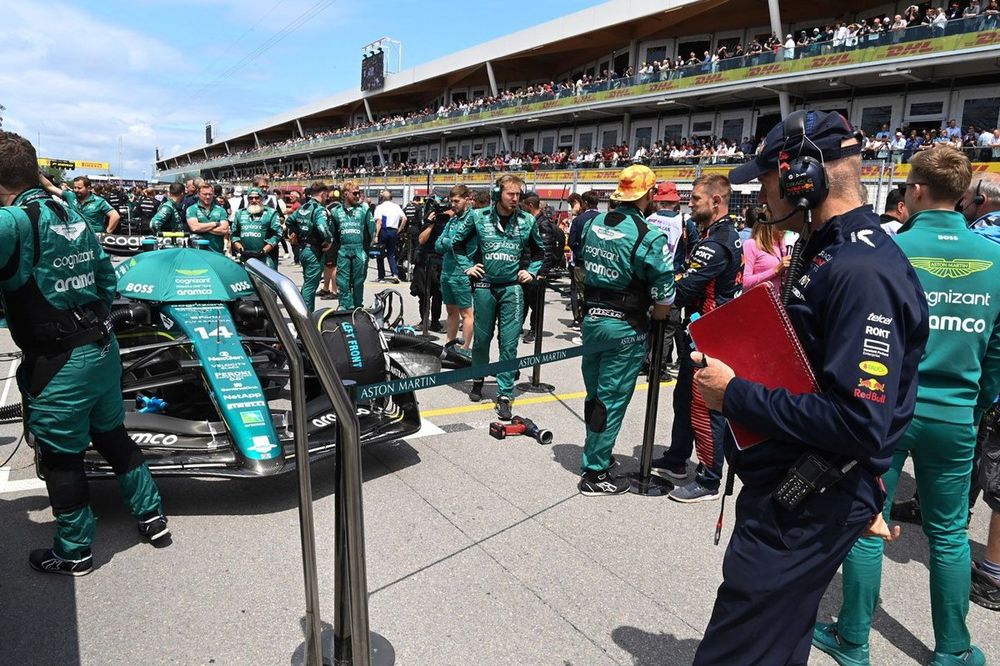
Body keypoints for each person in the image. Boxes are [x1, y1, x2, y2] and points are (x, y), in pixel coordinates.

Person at [688, 110, 928, 665]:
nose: (761, 191)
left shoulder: (859, 268)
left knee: (738, 650)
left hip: (809, 498)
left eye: (767, 177)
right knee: (775, 641)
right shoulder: (828, 248)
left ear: (802, 176)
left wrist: (735, 393)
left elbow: (860, 420)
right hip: (801, 486)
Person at [814, 142, 996, 666]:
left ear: (915, 190)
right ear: (964, 196)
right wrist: (975, 401)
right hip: (956, 412)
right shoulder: (997, 256)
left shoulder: (888, 249)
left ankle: (853, 640)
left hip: (886, 414)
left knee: (869, 521)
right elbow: (999, 349)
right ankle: (953, 650)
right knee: (948, 534)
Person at [0, 131, 168, 576]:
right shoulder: (68, 209)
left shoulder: (12, 222)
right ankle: (153, 519)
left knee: (61, 458)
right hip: (100, 347)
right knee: (113, 436)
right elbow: (106, 281)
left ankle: (74, 552)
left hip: (58, 363)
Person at [577, 165, 675, 495]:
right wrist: (660, 316)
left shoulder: (592, 223)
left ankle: (595, 454)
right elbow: (665, 290)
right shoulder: (649, 234)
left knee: (595, 395)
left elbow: (579, 267)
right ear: (648, 194)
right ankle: (595, 474)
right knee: (612, 398)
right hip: (626, 326)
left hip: (591, 320)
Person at [651, 174, 743, 503]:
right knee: (684, 399)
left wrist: (654, 285)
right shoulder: (716, 234)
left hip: (709, 335)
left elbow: (682, 288)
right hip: (699, 330)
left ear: (716, 202)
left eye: (696, 198)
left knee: (705, 408)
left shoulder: (716, 242)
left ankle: (708, 478)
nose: (690, 202)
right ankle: (677, 459)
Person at [451, 174, 549, 420]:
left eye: (519, 194)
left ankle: (505, 393)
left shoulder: (527, 221)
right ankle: (478, 378)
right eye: (510, 194)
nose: (516, 198)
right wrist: (467, 266)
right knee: (482, 339)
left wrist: (532, 271)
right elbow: (457, 243)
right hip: (484, 287)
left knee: (509, 343)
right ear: (498, 193)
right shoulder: (478, 216)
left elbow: (539, 253)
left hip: (512, 288)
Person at [434, 185, 475, 358]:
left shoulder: (472, 218)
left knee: (466, 313)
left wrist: (448, 242)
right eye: (451, 201)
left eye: (457, 201)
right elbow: (438, 245)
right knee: (450, 310)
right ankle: (450, 345)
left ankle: (464, 348)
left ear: (467, 199)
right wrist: (448, 242)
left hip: (462, 272)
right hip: (447, 270)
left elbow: (455, 242)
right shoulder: (452, 220)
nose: (453, 204)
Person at [518, 193, 561, 343]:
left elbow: (546, 250)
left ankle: (534, 330)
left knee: (535, 305)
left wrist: (542, 272)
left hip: (536, 272)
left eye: (524, 206)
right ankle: (518, 328)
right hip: (525, 268)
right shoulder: (530, 221)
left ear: (529, 206)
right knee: (522, 302)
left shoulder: (543, 224)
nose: (522, 208)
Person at [285, 182, 332, 312]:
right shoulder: (319, 209)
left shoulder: (303, 207)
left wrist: (299, 232)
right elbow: (322, 227)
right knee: (310, 287)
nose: (327, 198)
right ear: (322, 194)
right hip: (314, 251)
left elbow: (289, 221)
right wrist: (329, 240)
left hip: (303, 249)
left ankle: (303, 312)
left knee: (307, 284)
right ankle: (306, 316)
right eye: (326, 195)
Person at [330, 181, 374, 310]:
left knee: (358, 280)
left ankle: (357, 306)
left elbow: (371, 231)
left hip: (359, 249)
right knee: (342, 281)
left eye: (359, 193)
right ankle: (345, 306)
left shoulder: (364, 209)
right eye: (355, 193)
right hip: (343, 249)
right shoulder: (335, 211)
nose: (358, 196)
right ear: (345, 194)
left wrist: (366, 250)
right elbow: (333, 232)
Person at [40, 175, 120, 235]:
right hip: (77, 238)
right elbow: (50, 186)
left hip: (95, 238)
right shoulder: (70, 196)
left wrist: (107, 233)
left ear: (88, 188)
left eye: (79, 188)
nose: (76, 190)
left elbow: (115, 216)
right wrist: (38, 174)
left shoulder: (99, 201)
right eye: (74, 187)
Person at [567, 191, 601, 328]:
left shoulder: (578, 220)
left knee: (578, 291)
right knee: (596, 292)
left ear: (585, 203)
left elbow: (571, 241)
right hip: (599, 263)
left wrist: (580, 253)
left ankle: (578, 319)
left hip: (581, 262)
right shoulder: (604, 218)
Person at [231, 187, 282, 269]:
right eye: (250, 198)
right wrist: (241, 250)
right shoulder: (240, 213)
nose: (254, 200)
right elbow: (234, 234)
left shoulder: (271, 213)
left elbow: (277, 234)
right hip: (245, 257)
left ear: (261, 198)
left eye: (257, 198)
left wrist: (263, 251)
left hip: (266, 257)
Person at [741, 218, 791, 294]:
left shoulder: (781, 246)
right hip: (758, 301)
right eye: (781, 224)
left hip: (777, 301)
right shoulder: (751, 244)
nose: (784, 228)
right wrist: (775, 270)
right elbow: (745, 283)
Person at [373, 189, 407, 284]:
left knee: (380, 254)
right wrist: (399, 229)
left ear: (382, 198)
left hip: (383, 231)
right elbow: (404, 218)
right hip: (393, 231)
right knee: (391, 254)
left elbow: (379, 222)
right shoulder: (396, 206)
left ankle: (381, 277)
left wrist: (376, 235)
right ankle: (395, 274)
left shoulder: (380, 207)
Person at [185, 183, 231, 253]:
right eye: (204, 194)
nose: (207, 197)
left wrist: (202, 227)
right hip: (197, 252)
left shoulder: (221, 210)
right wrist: (214, 224)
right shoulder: (192, 209)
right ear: (198, 194)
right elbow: (194, 227)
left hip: (217, 252)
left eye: (210, 194)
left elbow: (224, 230)